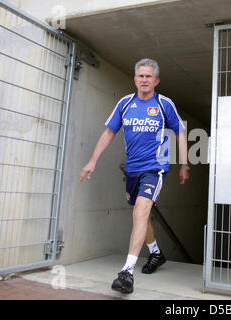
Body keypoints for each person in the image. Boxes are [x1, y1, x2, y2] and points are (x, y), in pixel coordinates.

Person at [78, 58, 190, 294]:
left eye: (149, 76)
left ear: (156, 80)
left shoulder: (163, 103)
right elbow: (109, 132)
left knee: (140, 211)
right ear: (135, 78)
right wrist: (92, 161)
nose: (144, 80)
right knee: (141, 216)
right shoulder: (125, 103)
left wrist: (184, 164)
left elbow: (179, 132)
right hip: (132, 169)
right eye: (141, 76)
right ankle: (157, 254)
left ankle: (126, 273)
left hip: (155, 167)